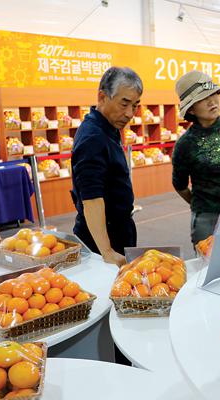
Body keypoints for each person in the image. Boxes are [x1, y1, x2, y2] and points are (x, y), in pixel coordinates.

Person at [71, 66, 142, 267]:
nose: (129, 113)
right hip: (102, 238)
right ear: (102, 97)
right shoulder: (93, 137)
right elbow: (91, 198)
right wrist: (107, 251)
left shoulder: (108, 128)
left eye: (135, 106)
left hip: (118, 229)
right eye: (124, 104)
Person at [172, 70, 220, 245]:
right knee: (209, 260)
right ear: (191, 108)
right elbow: (180, 185)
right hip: (207, 219)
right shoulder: (185, 144)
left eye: (213, 94)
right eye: (203, 98)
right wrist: (202, 204)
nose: (212, 101)